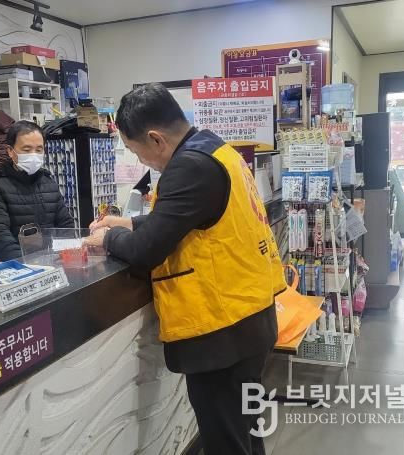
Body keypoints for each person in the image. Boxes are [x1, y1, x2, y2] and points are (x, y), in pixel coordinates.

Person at [86, 83, 286, 455]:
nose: (141, 161)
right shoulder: (216, 150)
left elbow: (146, 251)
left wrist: (107, 239)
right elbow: (190, 219)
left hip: (221, 330)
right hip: (249, 316)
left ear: (155, 139)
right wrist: (127, 223)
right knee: (245, 433)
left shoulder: (188, 167)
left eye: (136, 151)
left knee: (226, 442)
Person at [0, 120, 74, 261]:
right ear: (10, 151)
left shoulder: (48, 182)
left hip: (51, 261)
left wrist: (64, 255)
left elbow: (66, 226)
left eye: (39, 149)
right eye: (26, 150)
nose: (33, 155)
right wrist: (28, 263)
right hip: (14, 265)